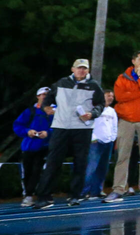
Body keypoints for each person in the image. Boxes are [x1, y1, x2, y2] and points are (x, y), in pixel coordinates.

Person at [31, 59, 103, 209]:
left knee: (80, 162)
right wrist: (46, 107)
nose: (82, 71)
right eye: (79, 68)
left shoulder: (94, 85)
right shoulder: (61, 83)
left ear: (88, 70)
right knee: (53, 161)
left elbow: (101, 104)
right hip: (61, 127)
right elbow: (47, 99)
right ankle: (44, 197)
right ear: (72, 69)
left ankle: (75, 195)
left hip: (82, 128)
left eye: (84, 68)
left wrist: (92, 114)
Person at [109, 51, 140, 202]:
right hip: (126, 120)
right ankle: (118, 189)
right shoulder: (122, 77)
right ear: (133, 61)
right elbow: (119, 96)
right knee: (122, 156)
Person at [13, 87, 53, 207]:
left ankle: (42, 194)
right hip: (29, 146)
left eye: (47, 95)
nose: (45, 97)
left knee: (40, 171)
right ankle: (29, 195)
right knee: (28, 172)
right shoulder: (29, 111)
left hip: (46, 146)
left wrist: (48, 133)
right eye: (43, 94)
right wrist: (28, 131)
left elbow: (59, 127)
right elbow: (18, 125)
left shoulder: (54, 112)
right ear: (38, 96)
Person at [82, 90, 118, 200]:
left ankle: (96, 191)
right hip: (96, 143)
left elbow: (115, 126)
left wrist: (112, 138)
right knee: (91, 168)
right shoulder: (94, 109)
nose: (110, 98)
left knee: (103, 168)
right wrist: (93, 138)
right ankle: (84, 192)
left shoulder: (112, 111)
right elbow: (87, 123)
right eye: (108, 95)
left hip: (108, 142)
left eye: (112, 96)